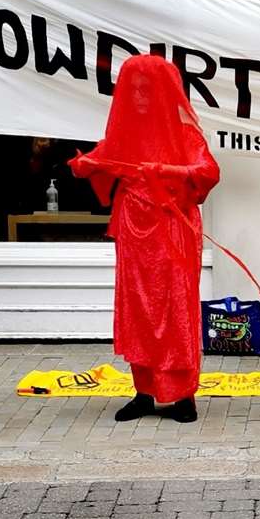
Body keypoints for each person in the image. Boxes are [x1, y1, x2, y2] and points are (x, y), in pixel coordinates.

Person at [70, 54, 220, 424]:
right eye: (132, 89)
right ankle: (144, 392)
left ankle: (183, 395)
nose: (138, 96)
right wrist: (84, 165)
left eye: (145, 89)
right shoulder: (125, 132)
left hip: (172, 228)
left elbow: (208, 171)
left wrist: (166, 170)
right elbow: (101, 159)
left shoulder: (182, 131)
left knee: (175, 309)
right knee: (138, 309)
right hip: (134, 228)